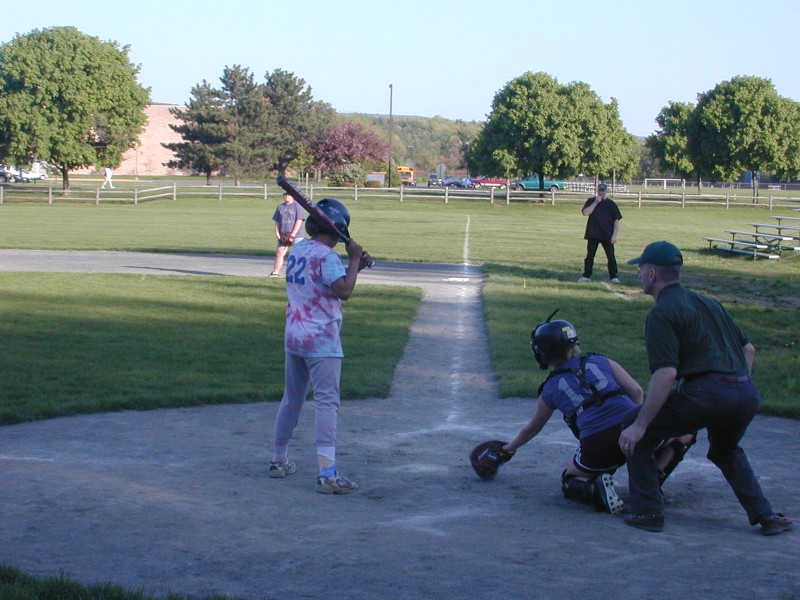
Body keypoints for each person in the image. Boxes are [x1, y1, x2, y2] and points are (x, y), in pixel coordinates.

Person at [619, 241, 793, 535]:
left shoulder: (662, 312)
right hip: (745, 392)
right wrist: (735, 387)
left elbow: (666, 373)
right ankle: (766, 516)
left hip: (707, 393)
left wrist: (641, 424)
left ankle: (647, 511)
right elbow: (748, 349)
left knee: (636, 428)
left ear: (652, 275)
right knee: (726, 451)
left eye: (640, 268)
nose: (638, 274)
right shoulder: (708, 302)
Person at [501, 313, 691, 514]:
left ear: (544, 354)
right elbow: (636, 391)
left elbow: (532, 429)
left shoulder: (550, 388)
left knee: (570, 479)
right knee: (685, 433)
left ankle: (593, 489)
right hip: (631, 429)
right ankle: (650, 485)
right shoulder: (599, 360)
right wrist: (636, 425)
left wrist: (508, 448)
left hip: (598, 443)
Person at [269, 197, 373, 495]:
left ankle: (279, 460)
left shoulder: (300, 248)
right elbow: (344, 292)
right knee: (327, 402)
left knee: (292, 398)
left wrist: (356, 268)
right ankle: (327, 473)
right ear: (339, 229)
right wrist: (353, 260)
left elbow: (325, 283)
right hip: (322, 340)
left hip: (295, 336)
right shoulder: (327, 257)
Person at [578, 183, 621, 283]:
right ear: (597, 191)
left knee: (611, 256)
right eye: (599, 190)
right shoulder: (591, 201)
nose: (601, 192)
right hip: (593, 233)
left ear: (606, 191)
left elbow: (616, 221)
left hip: (607, 234)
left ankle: (614, 276)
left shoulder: (611, 204)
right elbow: (586, 213)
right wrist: (596, 202)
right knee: (590, 256)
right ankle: (587, 275)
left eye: (603, 190)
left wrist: (614, 235)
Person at [269, 192, 306, 278]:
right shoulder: (280, 207)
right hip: (283, 234)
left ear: (293, 196)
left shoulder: (297, 206)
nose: (286, 196)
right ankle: (275, 272)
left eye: (289, 194)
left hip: (297, 235)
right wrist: (277, 232)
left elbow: (299, 220)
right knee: (279, 253)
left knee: (298, 254)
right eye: (285, 194)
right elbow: (277, 221)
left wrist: (293, 234)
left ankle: (299, 274)